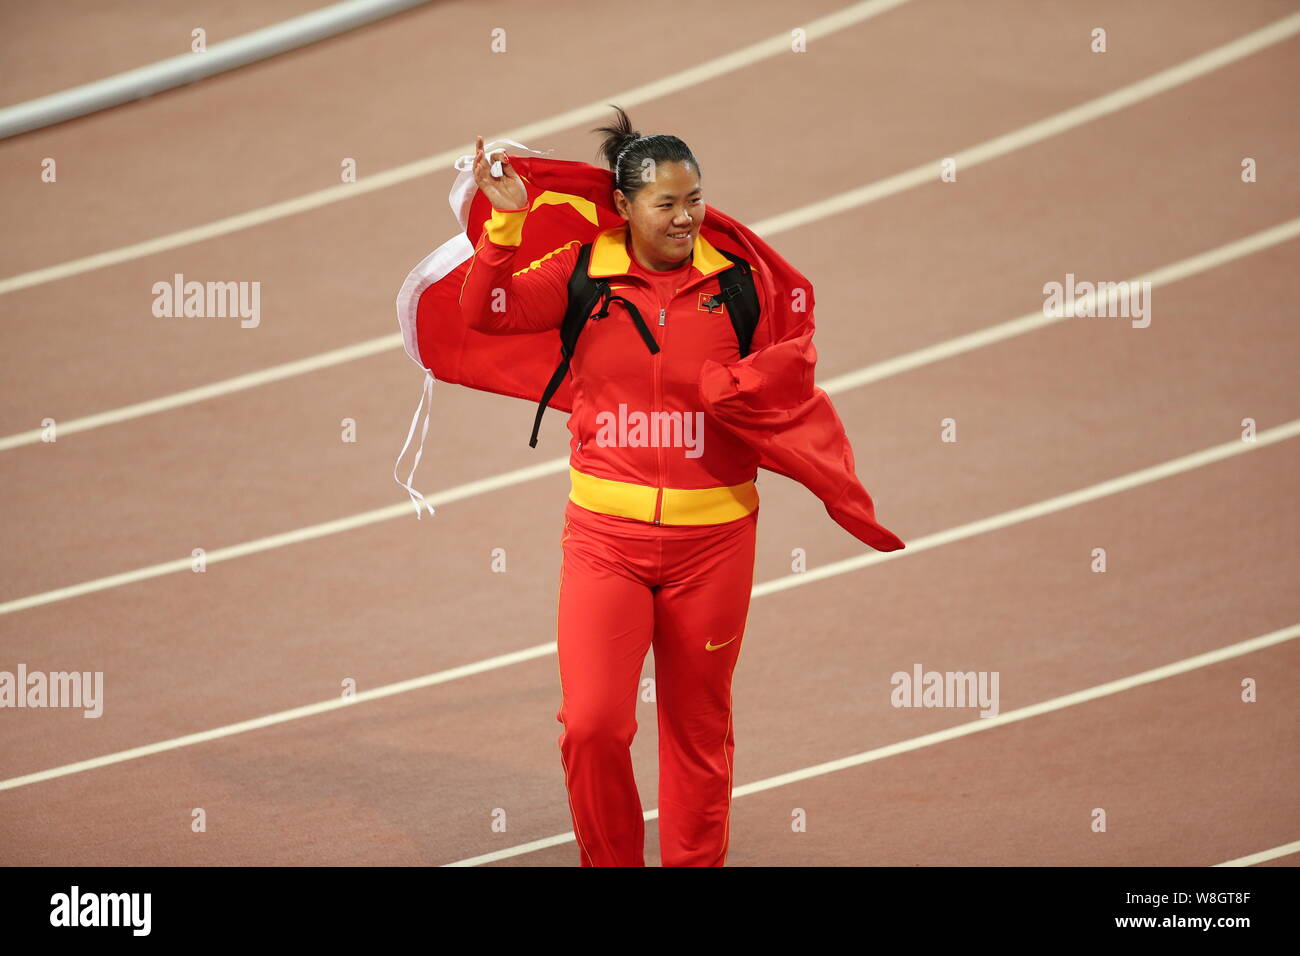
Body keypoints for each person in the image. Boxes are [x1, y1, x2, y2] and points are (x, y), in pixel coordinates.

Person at [460, 106, 771, 866]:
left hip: (715, 545)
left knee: (698, 730)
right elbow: (485, 311)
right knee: (593, 725)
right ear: (625, 207)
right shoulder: (581, 276)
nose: (685, 216)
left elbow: (785, 380)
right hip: (607, 544)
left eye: (694, 198)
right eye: (665, 202)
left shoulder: (738, 286)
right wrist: (502, 229)